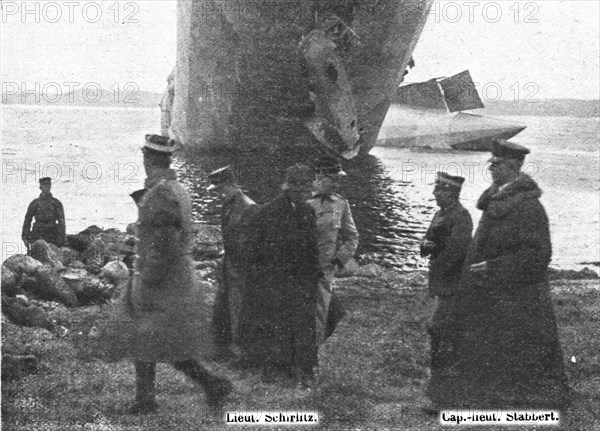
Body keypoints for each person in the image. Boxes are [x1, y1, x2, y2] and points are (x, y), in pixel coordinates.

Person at [428, 140, 570, 410]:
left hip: (516, 295)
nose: (491, 166)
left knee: (513, 349)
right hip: (487, 288)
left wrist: (496, 267)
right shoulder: (497, 198)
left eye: (497, 163)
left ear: (514, 166)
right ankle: (469, 396)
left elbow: (539, 256)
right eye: (491, 162)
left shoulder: (529, 207)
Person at [114, 134, 232, 414]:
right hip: (176, 274)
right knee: (163, 340)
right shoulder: (177, 188)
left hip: (162, 278)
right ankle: (208, 385)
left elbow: (165, 241)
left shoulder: (161, 193)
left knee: (150, 337)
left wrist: (148, 277)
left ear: (146, 159)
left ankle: (151, 398)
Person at [239, 164, 321, 387]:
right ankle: (273, 369)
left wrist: (314, 276)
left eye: (307, 188)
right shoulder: (267, 212)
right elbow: (251, 250)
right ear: (290, 187)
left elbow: (312, 248)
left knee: (303, 325)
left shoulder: (307, 211)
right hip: (275, 281)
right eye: (302, 188)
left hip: (302, 281)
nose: (306, 193)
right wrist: (262, 279)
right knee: (275, 325)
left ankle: (303, 369)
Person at [421, 172, 472, 405]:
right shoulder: (440, 214)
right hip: (442, 282)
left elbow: (457, 252)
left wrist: (437, 254)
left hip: (454, 283)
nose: (434, 193)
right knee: (441, 331)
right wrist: (426, 245)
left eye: (439, 190)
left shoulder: (461, 217)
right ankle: (441, 383)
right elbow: (426, 241)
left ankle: (444, 387)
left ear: (451, 194)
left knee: (439, 329)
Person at [207, 166, 259, 359]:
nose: (219, 194)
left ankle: (246, 353)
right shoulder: (229, 205)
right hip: (230, 264)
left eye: (220, 189)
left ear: (230, 186)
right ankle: (221, 348)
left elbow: (255, 243)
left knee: (240, 309)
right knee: (222, 307)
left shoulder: (249, 207)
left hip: (243, 268)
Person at [307, 155, 358, 344]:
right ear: (319, 176)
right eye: (333, 179)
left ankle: (311, 358)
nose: (337, 184)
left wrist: (338, 260)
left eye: (339, 179)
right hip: (300, 268)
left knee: (320, 315)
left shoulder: (341, 204)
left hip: (324, 271)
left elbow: (352, 236)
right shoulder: (302, 199)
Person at [22, 177, 66, 248]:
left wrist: (61, 239)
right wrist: (25, 237)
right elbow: (27, 220)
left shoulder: (56, 203)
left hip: (52, 235)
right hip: (37, 235)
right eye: (45, 185)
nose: (47, 187)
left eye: (48, 185)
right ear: (40, 187)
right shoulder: (35, 203)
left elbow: (62, 222)